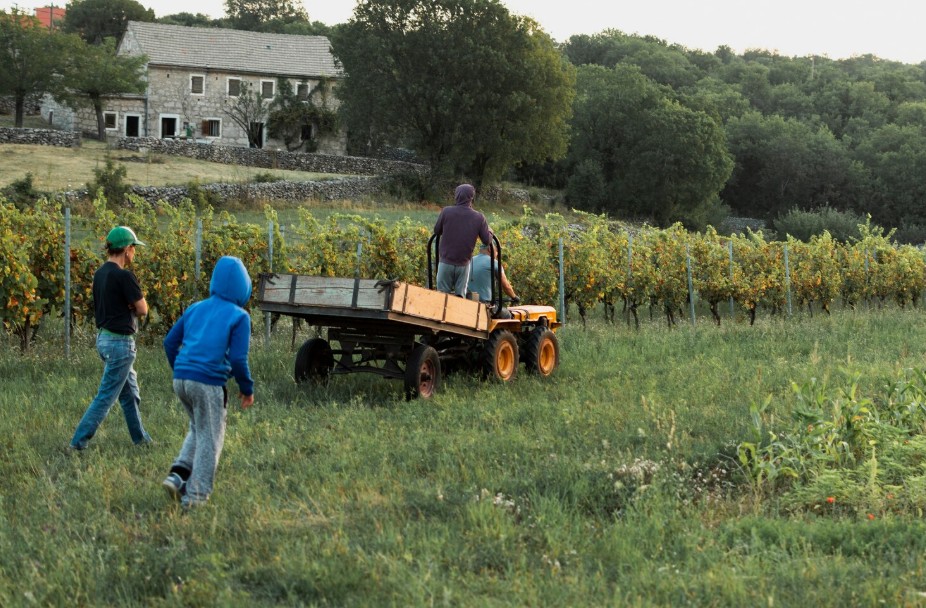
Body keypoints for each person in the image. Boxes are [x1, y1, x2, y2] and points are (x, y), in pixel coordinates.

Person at [161, 256, 255, 509]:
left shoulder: (195, 308)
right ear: (243, 287)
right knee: (211, 438)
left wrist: (182, 369)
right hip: (208, 383)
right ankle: (196, 497)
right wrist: (247, 389)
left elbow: (169, 342)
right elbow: (237, 358)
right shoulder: (240, 316)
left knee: (198, 427)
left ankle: (177, 475)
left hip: (181, 379)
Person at [69, 226, 151, 451]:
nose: (134, 253)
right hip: (120, 344)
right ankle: (78, 442)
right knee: (106, 396)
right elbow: (143, 309)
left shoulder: (100, 273)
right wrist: (132, 306)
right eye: (133, 248)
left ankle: (141, 440)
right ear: (126, 249)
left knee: (130, 394)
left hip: (104, 339)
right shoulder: (125, 276)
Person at [433, 183, 492, 297]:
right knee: (460, 297)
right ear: (471, 197)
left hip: (445, 261)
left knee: (441, 296)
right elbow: (487, 240)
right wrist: (490, 232)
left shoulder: (446, 211)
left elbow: (437, 231)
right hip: (463, 264)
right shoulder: (479, 217)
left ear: (456, 196)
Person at [468, 242, 520, 318]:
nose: (497, 254)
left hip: (468, 302)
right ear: (490, 249)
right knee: (508, 315)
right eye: (497, 251)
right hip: (484, 305)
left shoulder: (469, 261)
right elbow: (506, 286)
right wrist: (514, 297)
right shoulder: (494, 263)